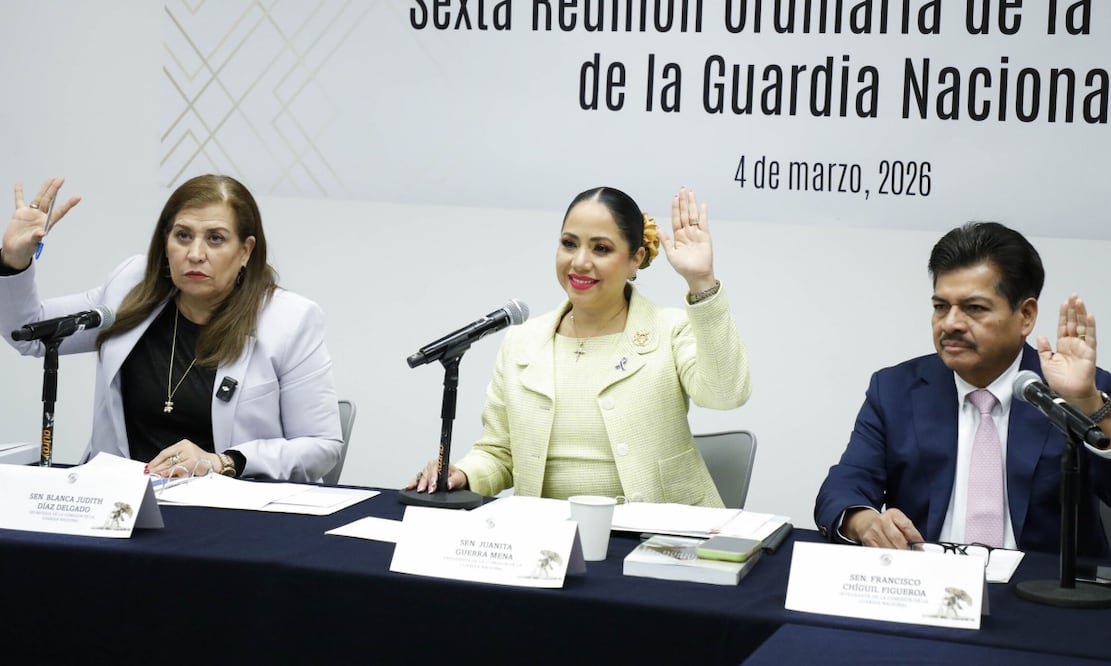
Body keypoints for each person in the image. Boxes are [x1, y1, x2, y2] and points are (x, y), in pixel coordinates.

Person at [407, 186, 752, 507]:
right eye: (569, 244)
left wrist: (701, 281)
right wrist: (463, 472)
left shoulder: (671, 329)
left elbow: (726, 394)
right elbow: (499, 452)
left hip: (659, 535)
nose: (580, 262)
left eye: (601, 248)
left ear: (636, 259)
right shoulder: (521, 343)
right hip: (551, 538)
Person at [0, 175, 342, 482]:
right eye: (183, 236)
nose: (195, 254)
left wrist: (224, 461)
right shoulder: (131, 286)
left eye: (215, 239)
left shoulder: (289, 320)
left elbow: (321, 447)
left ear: (245, 251)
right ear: (166, 243)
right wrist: (14, 261)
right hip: (122, 503)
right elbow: (30, 334)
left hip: (233, 509)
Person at [814, 221, 1111, 556]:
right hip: (927, 578)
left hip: (1041, 584)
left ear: (1025, 316)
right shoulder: (895, 389)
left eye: (974, 308)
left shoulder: (1080, 391)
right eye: (941, 307)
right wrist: (864, 521)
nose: (951, 323)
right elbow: (844, 484)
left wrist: (1086, 404)